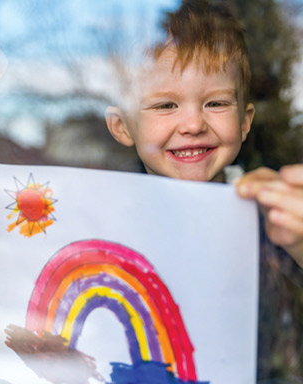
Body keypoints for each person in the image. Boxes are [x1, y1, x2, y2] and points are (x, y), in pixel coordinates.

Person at [104, 0, 303, 382]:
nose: (193, 123)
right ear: (122, 127)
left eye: (215, 103)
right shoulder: (107, 219)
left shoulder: (263, 215)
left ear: (245, 122)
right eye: (165, 105)